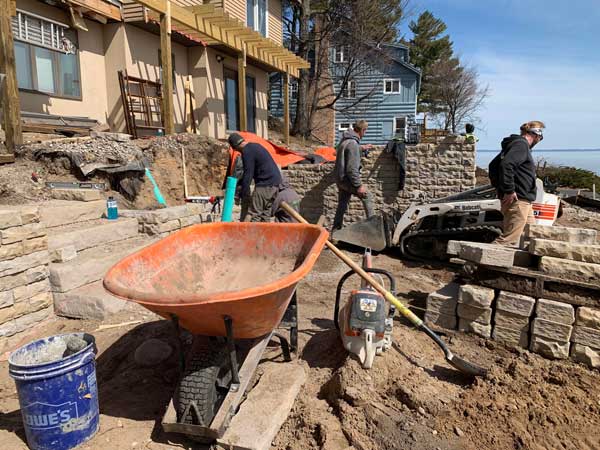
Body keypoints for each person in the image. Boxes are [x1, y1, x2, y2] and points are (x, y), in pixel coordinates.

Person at [492, 121, 545, 246]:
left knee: (531, 239)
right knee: (508, 240)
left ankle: (525, 263)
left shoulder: (514, 145)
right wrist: (508, 191)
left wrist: (500, 188)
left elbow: (493, 166)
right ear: (536, 135)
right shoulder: (521, 145)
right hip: (518, 200)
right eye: (540, 137)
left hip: (524, 200)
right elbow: (507, 165)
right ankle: (478, 262)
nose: (539, 140)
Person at [228, 132, 282, 222]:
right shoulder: (255, 146)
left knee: (253, 215)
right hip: (275, 184)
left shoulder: (246, 151)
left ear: (236, 147)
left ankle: (248, 235)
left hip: (265, 185)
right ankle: (265, 235)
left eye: (237, 150)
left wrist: (244, 193)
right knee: (265, 214)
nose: (239, 152)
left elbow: (248, 174)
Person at [332, 120, 375, 231]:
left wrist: (361, 148)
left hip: (340, 179)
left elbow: (346, 151)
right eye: (365, 131)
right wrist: (359, 186)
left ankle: (335, 232)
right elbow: (351, 169)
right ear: (362, 130)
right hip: (347, 180)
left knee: (342, 205)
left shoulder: (345, 141)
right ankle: (374, 230)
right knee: (367, 196)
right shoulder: (353, 144)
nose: (365, 134)